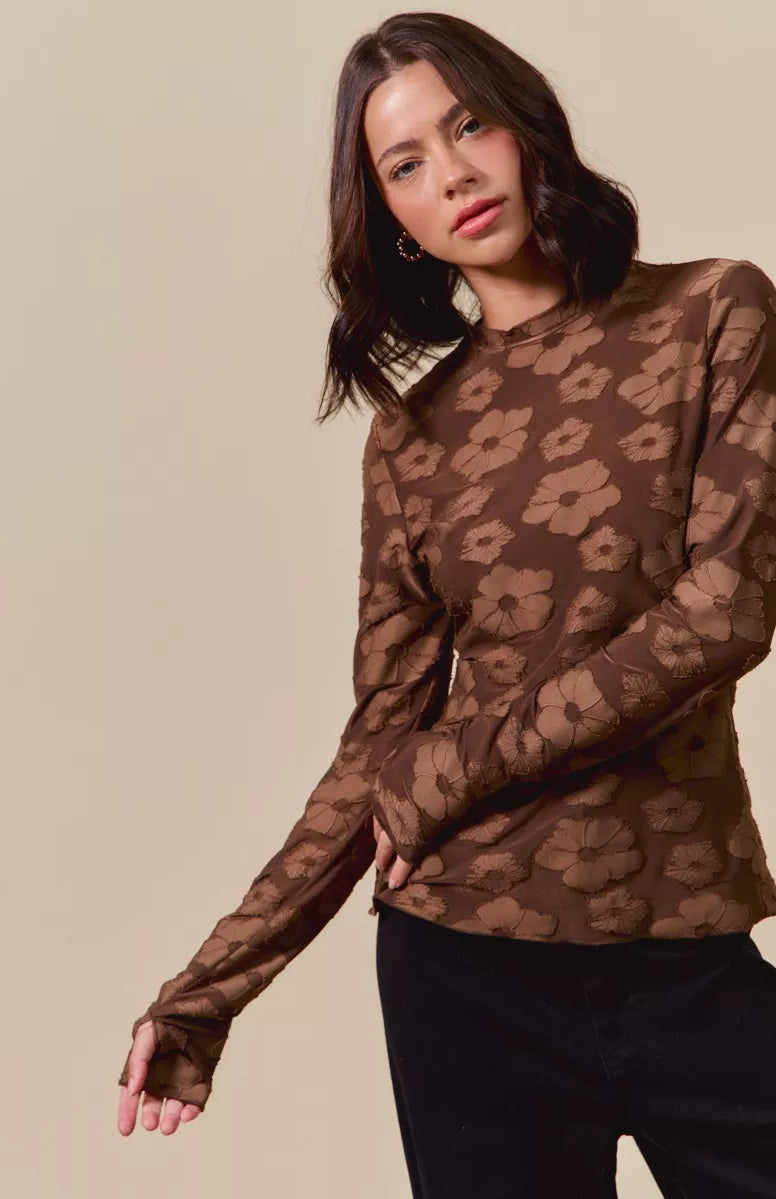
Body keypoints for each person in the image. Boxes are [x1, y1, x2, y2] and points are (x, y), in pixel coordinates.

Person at [116, 11, 776, 1196]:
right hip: (465, 973)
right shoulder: (410, 439)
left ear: (526, 127)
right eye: (405, 164)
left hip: (686, 948)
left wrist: (457, 764)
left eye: (467, 126)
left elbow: (722, 610)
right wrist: (207, 990)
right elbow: (379, 742)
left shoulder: (712, 312)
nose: (453, 175)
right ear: (392, 221)